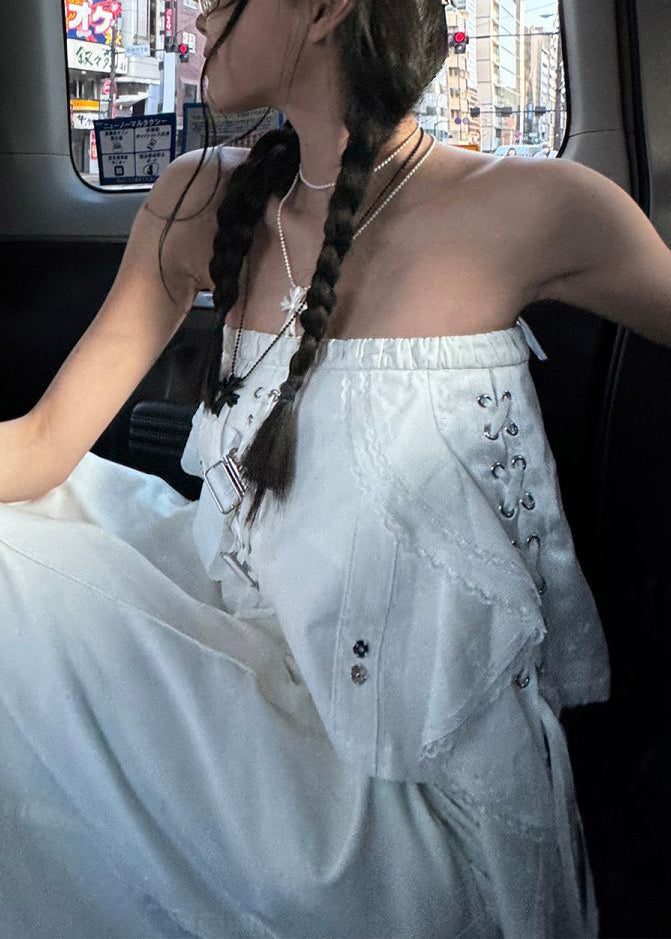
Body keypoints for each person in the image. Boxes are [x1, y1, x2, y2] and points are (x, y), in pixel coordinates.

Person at [0, 0, 620, 936]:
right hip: (234, 644)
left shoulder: (538, 205)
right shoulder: (195, 199)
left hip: (399, 761)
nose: (194, 17)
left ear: (324, 10)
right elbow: (43, 446)